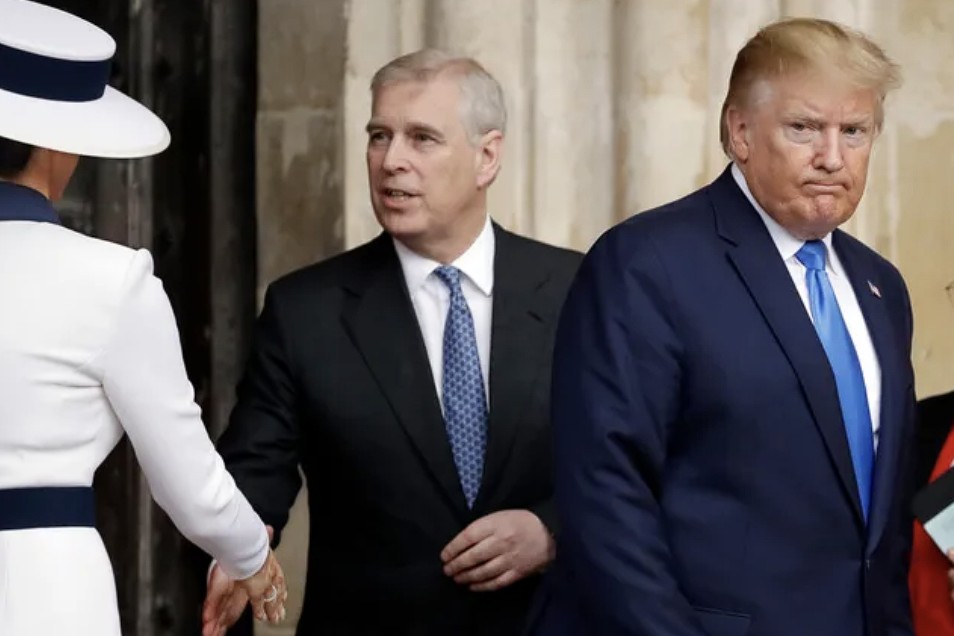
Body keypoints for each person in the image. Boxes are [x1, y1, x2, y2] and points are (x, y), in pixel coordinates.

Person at [527, 17, 915, 636]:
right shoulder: (647, 263)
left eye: (854, 131)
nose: (832, 157)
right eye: (803, 128)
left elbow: (878, 528)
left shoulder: (880, 287)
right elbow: (606, 500)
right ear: (739, 132)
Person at [201, 49, 582, 636]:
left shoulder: (578, 289)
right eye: (379, 136)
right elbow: (256, 468)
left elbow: (642, 459)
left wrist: (552, 532)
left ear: (487, 157)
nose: (391, 160)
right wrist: (239, 547)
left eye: (422, 138)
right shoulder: (306, 310)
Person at [0, 1, 287, 634]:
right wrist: (250, 555)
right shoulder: (110, 280)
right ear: (55, 144)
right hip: (42, 592)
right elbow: (192, 487)